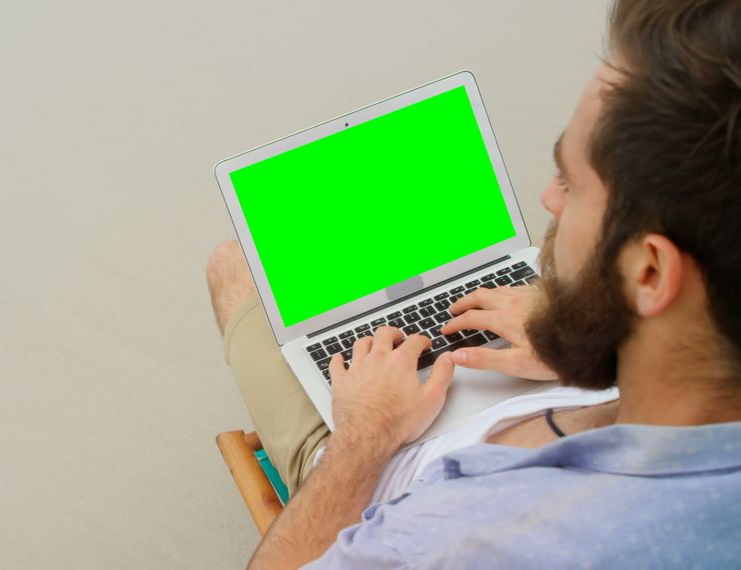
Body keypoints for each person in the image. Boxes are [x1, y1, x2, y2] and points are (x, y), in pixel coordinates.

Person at [206, 0, 741, 566]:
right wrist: (585, 346)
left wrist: (363, 437)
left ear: (651, 274)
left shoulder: (458, 538)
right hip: (553, 387)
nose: (550, 197)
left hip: (375, 456)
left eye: (574, 184)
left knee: (233, 261)